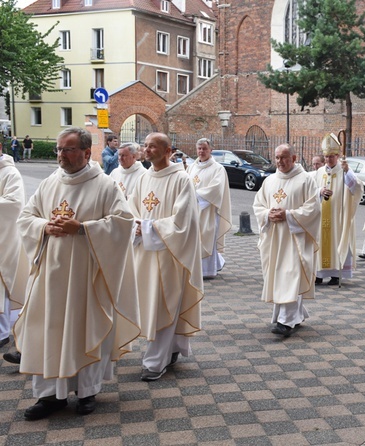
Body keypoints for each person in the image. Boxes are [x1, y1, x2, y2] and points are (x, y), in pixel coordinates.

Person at [15, 127, 140, 420]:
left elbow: (123, 222)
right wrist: (43, 227)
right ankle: (48, 396)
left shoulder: (105, 186)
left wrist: (83, 228)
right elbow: (25, 217)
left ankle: (87, 392)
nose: (61, 155)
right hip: (50, 274)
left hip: (87, 276)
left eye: (68, 150)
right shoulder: (48, 183)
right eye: (59, 149)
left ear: (86, 153)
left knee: (83, 327)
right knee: (50, 331)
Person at [130, 132, 203, 382]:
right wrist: (136, 227)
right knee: (151, 304)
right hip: (145, 254)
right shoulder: (142, 178)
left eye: (153, 146)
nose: (147, 150)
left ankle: (154, 362)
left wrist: (149, 228)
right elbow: (130, 210)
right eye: (145, 146)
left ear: (167, 150)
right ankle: (171, 349)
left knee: (164, 304)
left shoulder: (181, 179)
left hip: (170, 254)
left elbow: (183, 220)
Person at [253, 144, 321, 337]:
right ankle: (295, 315)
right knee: (280, 276)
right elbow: (258, 204)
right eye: (276, 158)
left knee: (290, 276)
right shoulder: (270, 180)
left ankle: (286, 322)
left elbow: (313, 209)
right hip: (274, 238)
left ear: (294, 157)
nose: (279, 161)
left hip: (295, 238)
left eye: (283, 157)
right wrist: (267, 214)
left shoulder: (306, 180)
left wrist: (289, 215)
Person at [314, 133, 362, 286]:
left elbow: (357, 188)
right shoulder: (319, 172)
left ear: (338, 155)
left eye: (332, 156)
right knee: (320, 243)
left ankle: (336, 274)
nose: (329, 159)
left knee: (338, 241)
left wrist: (348, 172)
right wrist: (319, 192)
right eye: (326, 156)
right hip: (322, 215)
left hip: (339, 215)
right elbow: (310, 191)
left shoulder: (345, 171)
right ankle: (318, 274)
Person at [187, 138, 232, 279]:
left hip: (209, 210)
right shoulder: (192, 167)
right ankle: (196, 268)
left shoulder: (218, 169)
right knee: (193, 239)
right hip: (192, 210)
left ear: (211, 150)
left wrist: (195, 197)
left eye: (204, 149)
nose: (201, 151)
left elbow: (217, 189)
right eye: (199, 148)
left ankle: (208, 271)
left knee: (207, 239)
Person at [0, 145, 29, 353]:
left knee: (2, 281)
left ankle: (2, 333)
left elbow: (15, 203)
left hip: (4, 236)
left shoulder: (10, 172)